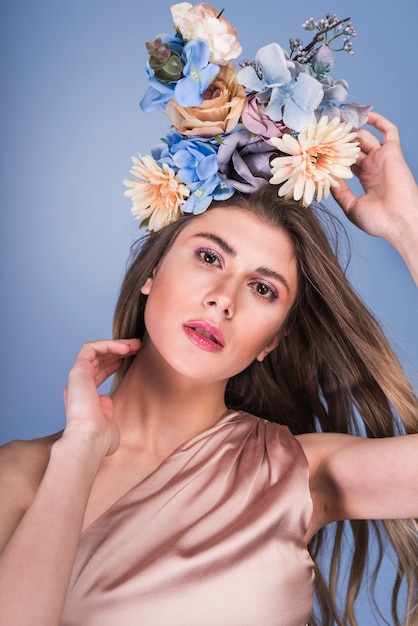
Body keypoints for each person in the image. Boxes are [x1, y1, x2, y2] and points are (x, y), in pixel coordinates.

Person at [0, 5, 417, 625]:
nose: (225, 295)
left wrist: (409, 227)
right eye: (207, 256)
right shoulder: (21, 476)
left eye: (264, 290)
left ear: (271, 342)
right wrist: (80, 451)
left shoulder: (301, 475)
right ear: (150, 274)